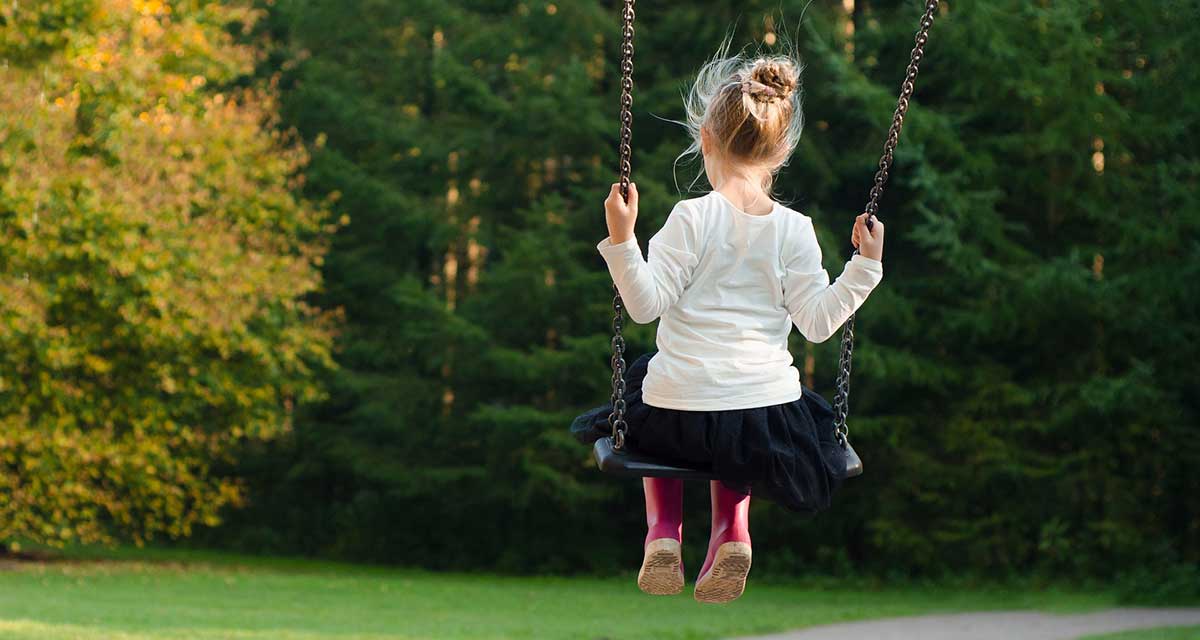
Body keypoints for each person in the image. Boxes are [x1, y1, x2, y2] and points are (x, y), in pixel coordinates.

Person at [570, 49, 886, 604]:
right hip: (763, 416)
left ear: (706, 142)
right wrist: (864, 267)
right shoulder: (795, 229)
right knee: (738, 427)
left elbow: (643, 306)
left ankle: (663, 533)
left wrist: (622, 240)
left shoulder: (690, 218)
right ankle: (732, 533)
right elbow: (817, 324)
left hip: (677, 412)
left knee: (649, 391)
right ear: (781, 152)